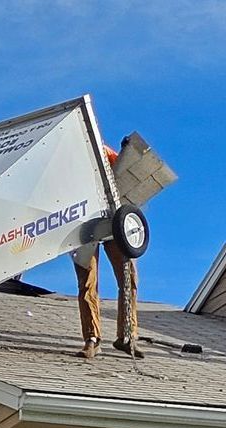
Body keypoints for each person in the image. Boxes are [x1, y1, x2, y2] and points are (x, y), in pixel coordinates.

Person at [73, 139, 141, 359]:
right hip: (83, 225)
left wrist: (128, 152)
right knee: (88, 281)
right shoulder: (70, 160)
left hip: (113, 222)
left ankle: (127, 337)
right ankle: (92, 339)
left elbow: (127, 174)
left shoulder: (104, 153)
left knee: (128, 277)